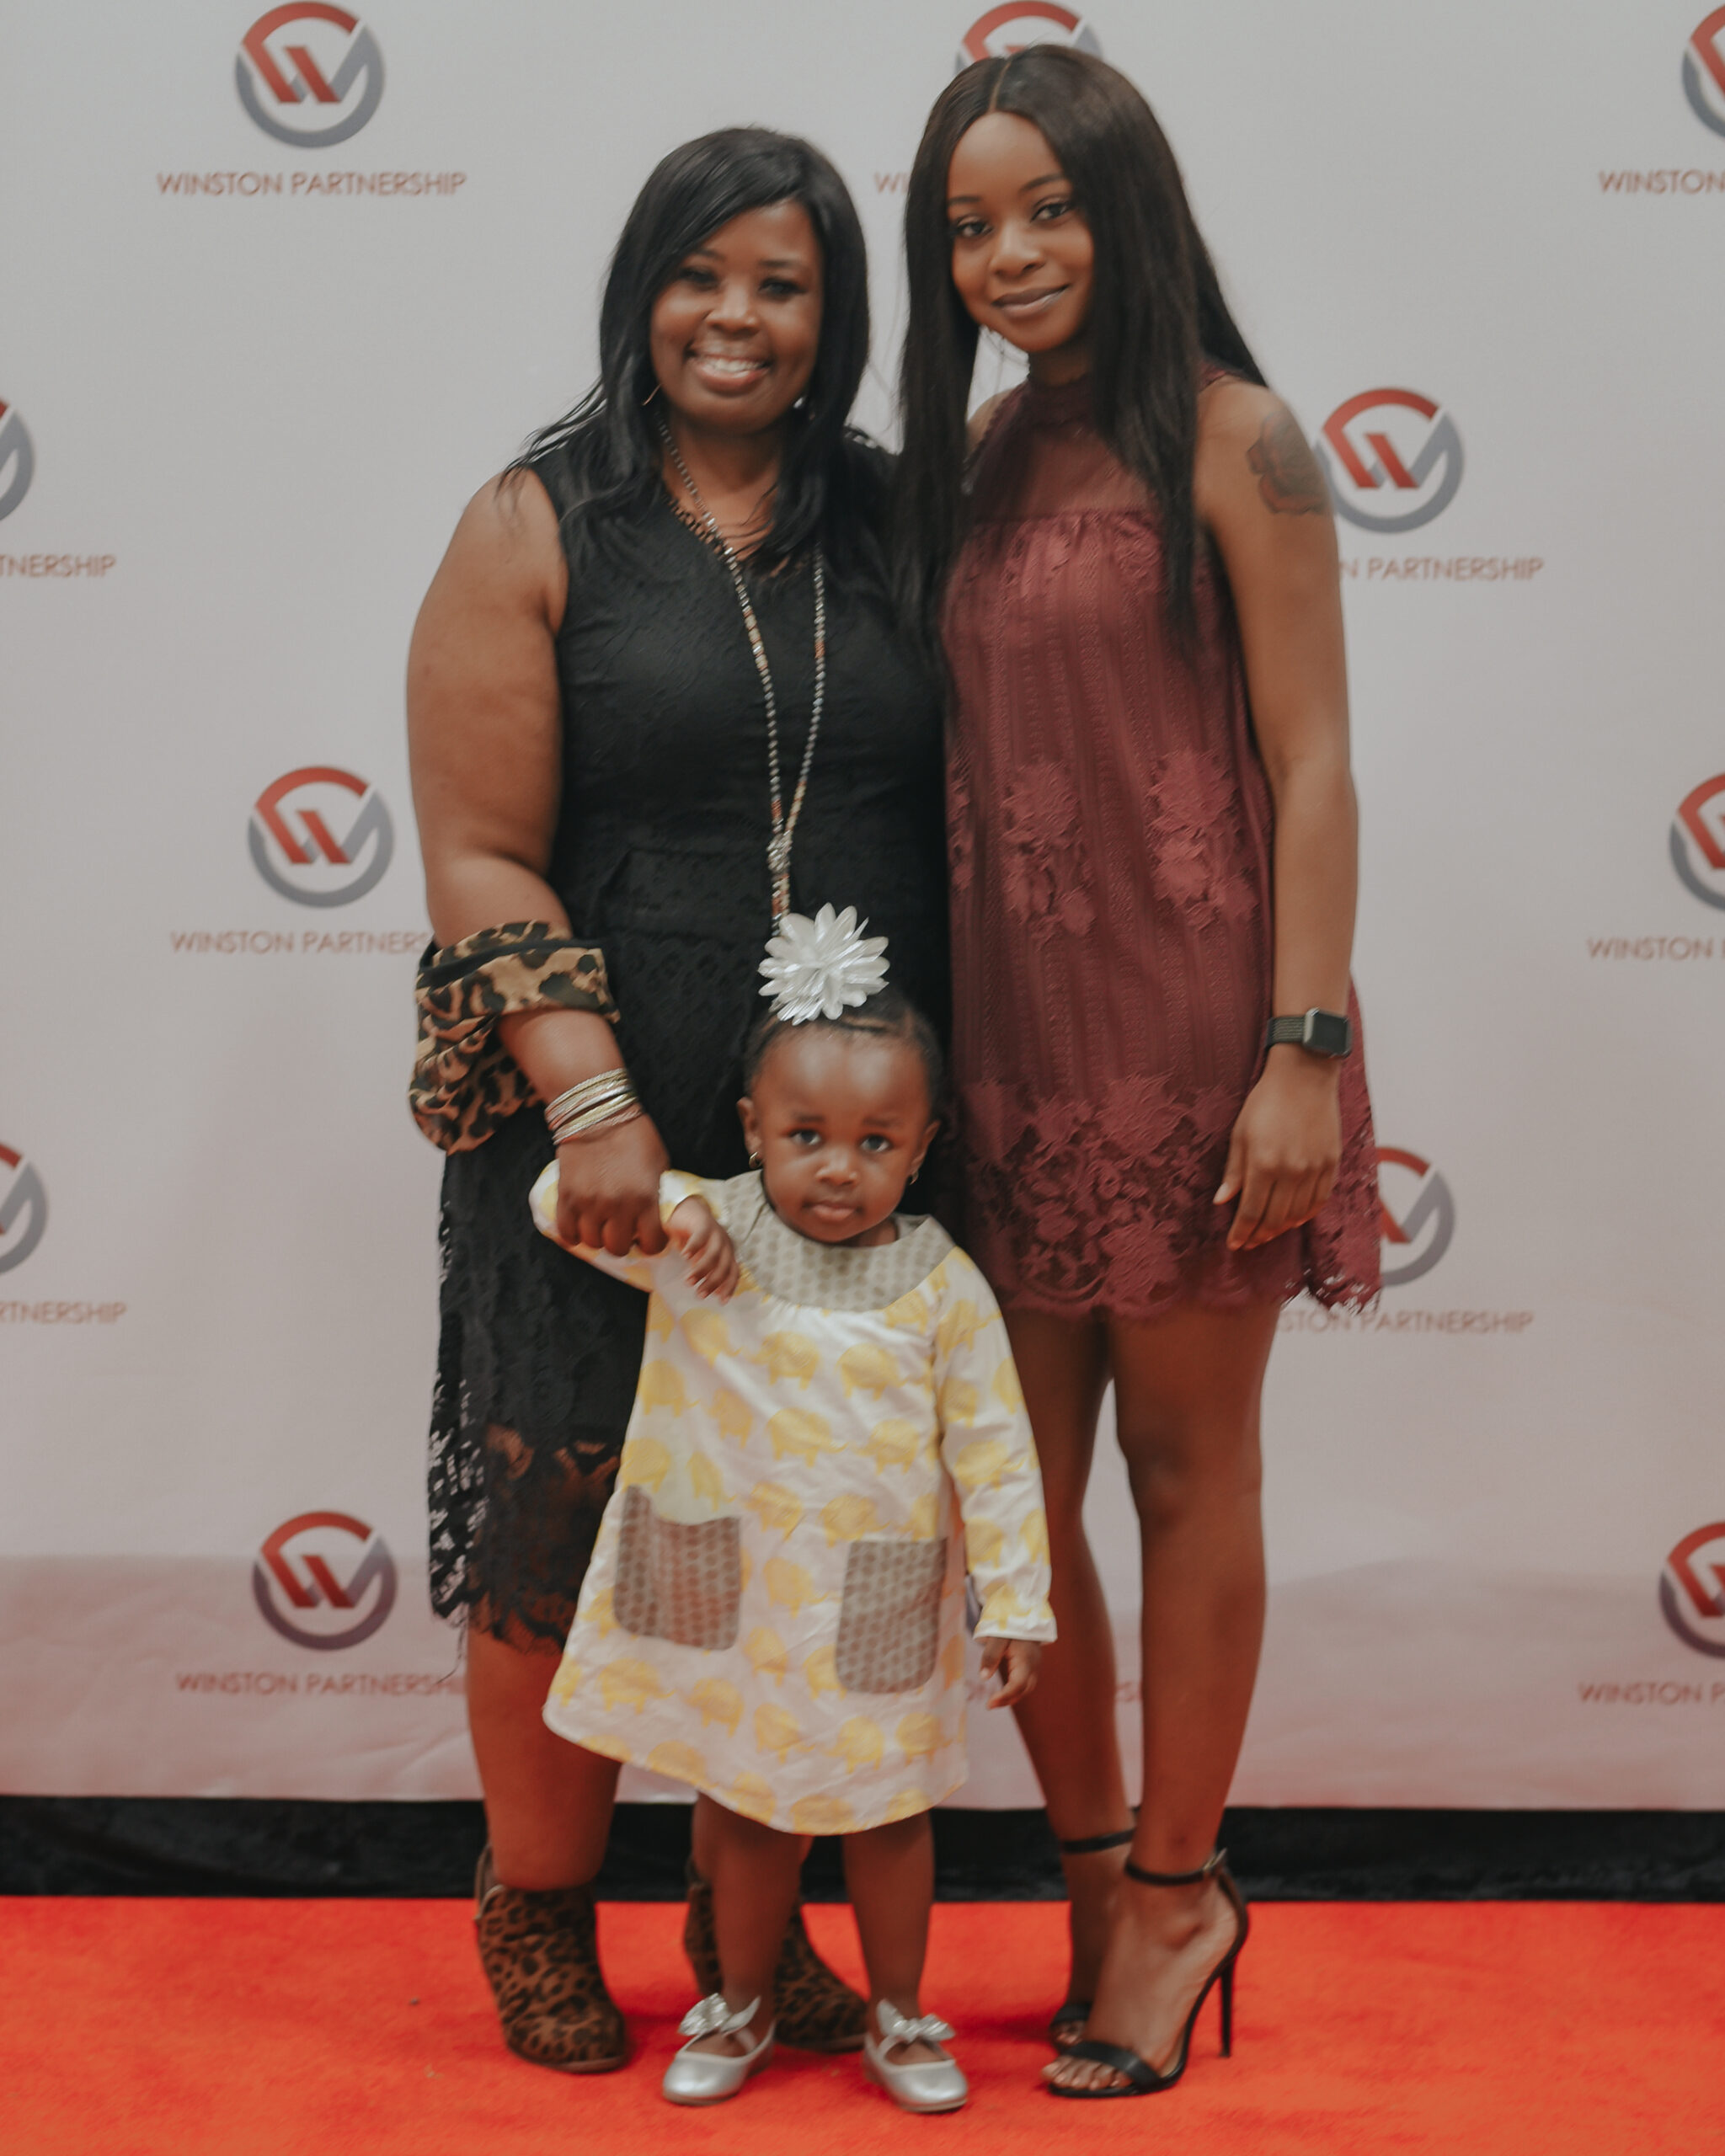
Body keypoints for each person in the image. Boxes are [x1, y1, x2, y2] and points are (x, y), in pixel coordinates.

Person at [405, 127, 948, 2073]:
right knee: (563, 1520)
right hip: (601, 1147)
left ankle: (749, 1933)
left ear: (834, 317)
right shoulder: (538, 520)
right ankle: (539, 1910)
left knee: (790, 1531)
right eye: (698, 274)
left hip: (845, 1158)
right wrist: (593, 1103)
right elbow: (477, 849)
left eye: (780, 283)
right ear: (641, 291)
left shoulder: (899, 522)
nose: (735, 315)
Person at [895, 49, 1381, 2098]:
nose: (1008, 255)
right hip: (1009, 1047)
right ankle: (1096, 1877)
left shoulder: (1241, 435)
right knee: (1011, 1502)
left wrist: (1301, 1050)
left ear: (1128, 208)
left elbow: (1315, 759)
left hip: (1203, 1037)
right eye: (968, 225)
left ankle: (1181, 1890)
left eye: (1048, 209)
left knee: (1187, 1477)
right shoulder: (973, 455)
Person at [529, 932, 1054, 2113]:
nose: (837, 1169)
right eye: (806, 1136)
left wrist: (1018, 1604)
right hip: (739, 1602)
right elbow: (553, 1200)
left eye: (876, 1143)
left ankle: (899, 2014)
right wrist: (673, 1203)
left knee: (891, 1818)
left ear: (923, 1147)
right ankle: (742, 2003)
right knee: (748, 1809)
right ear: (752, 1127)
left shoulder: (943, 1288)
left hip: (879, 1609)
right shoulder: (703, 1242)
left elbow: (996, 1456)